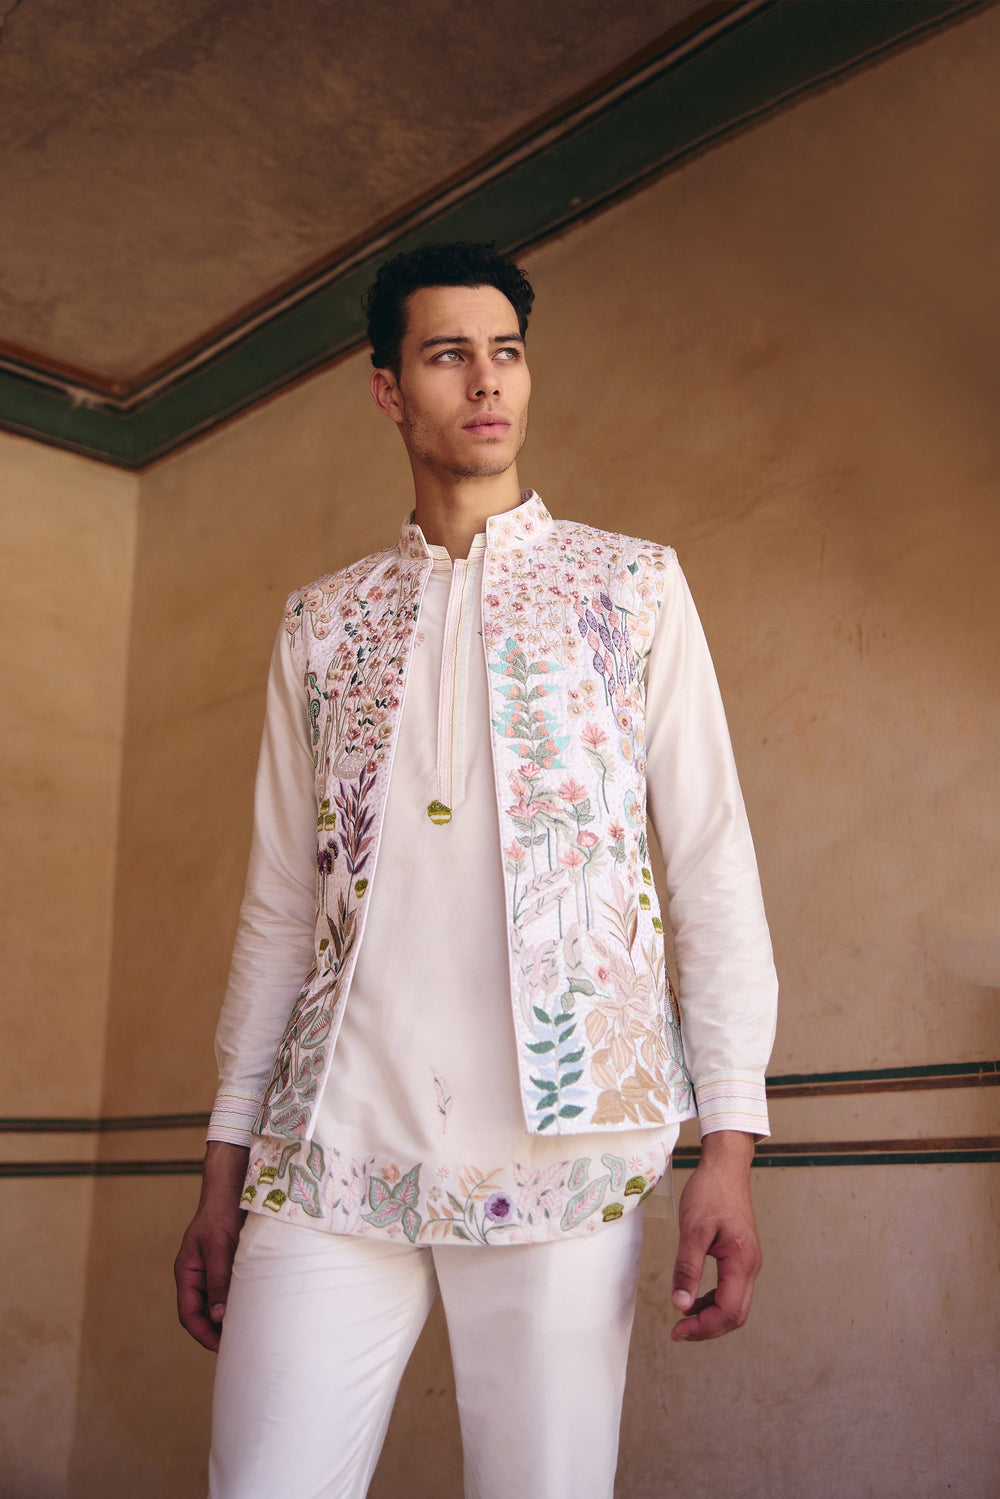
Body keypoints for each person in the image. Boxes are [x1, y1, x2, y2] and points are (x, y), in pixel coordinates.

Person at [174, 240, 778, 1499]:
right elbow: (281, 905)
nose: (487, 380)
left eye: (506, 351)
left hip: (566, 1153)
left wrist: (728, 1140)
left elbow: (711, 861)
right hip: (331, 1146)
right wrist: (225, 1161)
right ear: (390, 390)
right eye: (448, 354)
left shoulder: (631, 589)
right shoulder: (323, 623)